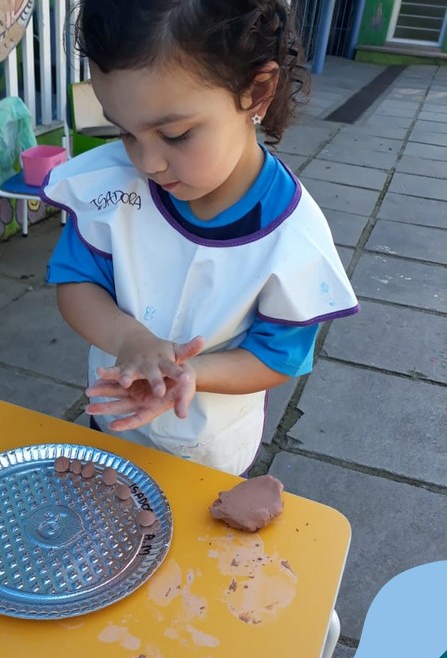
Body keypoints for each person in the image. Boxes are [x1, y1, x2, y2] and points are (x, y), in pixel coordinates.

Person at [42, 0, 359, 476]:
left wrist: (190, 374)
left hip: (209, 449)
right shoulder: (114, 188)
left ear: (257, 92)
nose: (147, 163)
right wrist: (128, 338)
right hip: (113, 422)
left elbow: (278, 355)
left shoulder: (291, 238)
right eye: (124, 132)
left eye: (175, 135)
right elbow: (76, 283)